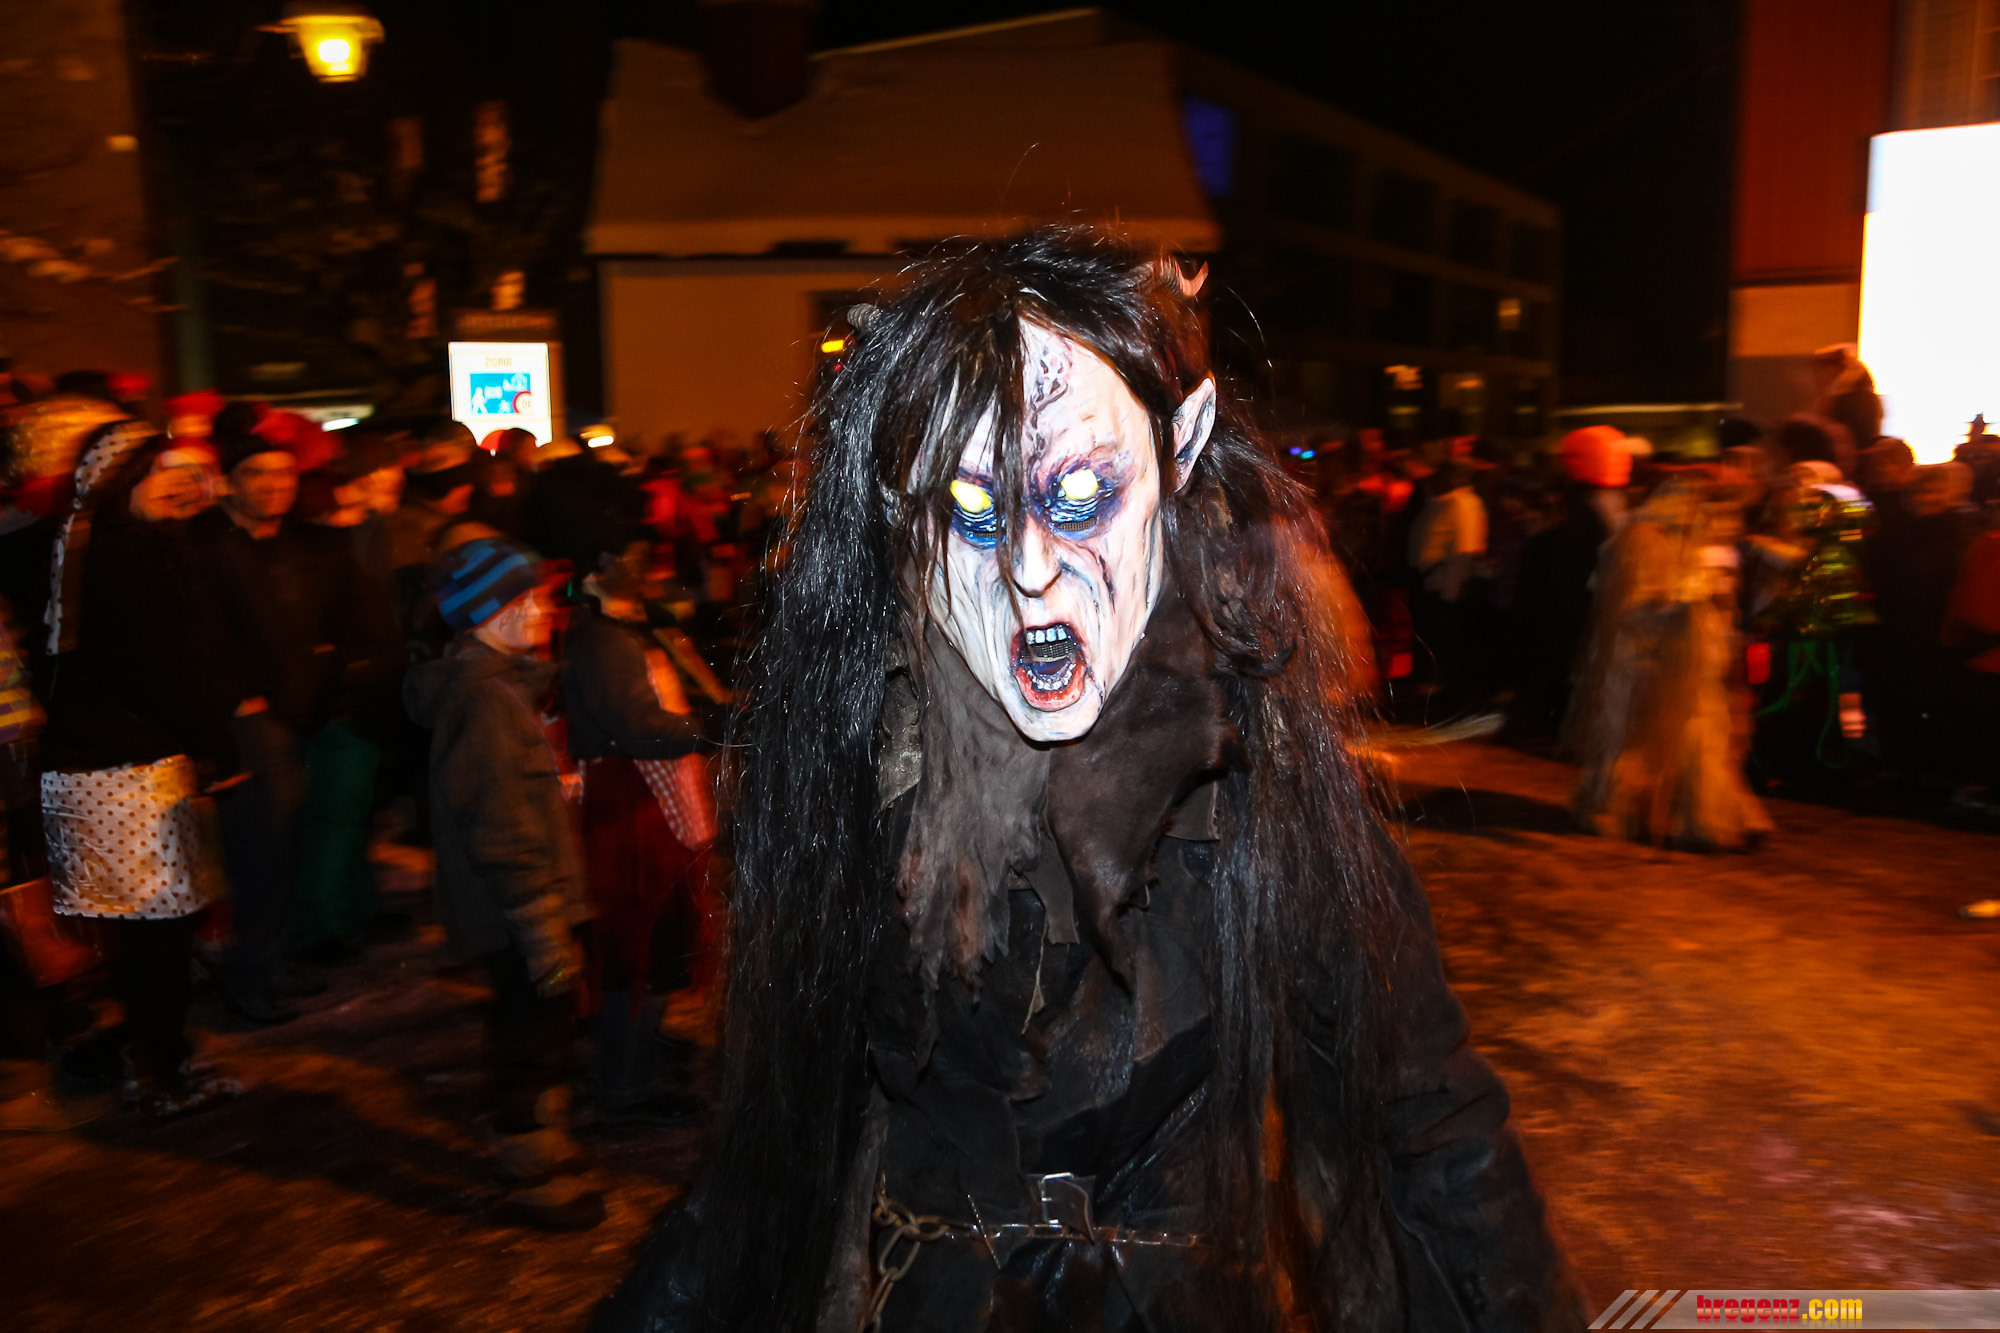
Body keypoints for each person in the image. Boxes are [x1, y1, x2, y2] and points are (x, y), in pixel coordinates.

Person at [595, 229, 1580, 1332]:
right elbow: (768, 1166)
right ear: (896, 511)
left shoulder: (1261, 791)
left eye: (1077, 492)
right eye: (967, 508)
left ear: (1177, 453)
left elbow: (1431, 1132)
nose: (1026, 568)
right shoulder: (858, 786)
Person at [40, 427, 245, 1114]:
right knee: (160, 929)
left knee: (132, 933)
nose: (178, 483)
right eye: (159, 472)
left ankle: (131, 1050)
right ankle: (161, 1070)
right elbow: (161, 670)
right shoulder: (127, 554)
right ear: (120, 479)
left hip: (86, 761)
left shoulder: (79, 541)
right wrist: (213, 744)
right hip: (128, 768)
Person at [403, 537, 602, 1231]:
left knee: (542, 1025)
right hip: (520, 912)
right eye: (533, 601)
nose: (545, 612)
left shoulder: (503, 688)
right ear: (499, 611)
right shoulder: (485, 701)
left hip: (528, 907)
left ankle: (540, 1140)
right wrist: (542, 923)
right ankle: (525, 1165)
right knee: (528, 1033)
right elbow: (498, 823)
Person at [562, 516, 717, 1128]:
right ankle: (625, 1082)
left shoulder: (625, 625)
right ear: (599, 566)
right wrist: (710, 728)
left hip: (646, 801)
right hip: (630, 806)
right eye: (630, 552)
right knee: (634, 941)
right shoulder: (601, 640)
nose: (643, 560)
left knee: (654, 938)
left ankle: (636, 1056)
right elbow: (638, 728)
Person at [194, 421, 330, 1023]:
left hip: (289, 714)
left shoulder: (283, 542)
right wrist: (240, 699)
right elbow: (203, 636)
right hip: (251, 722)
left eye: (284, 473)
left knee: (281, 850)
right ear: (229, 482)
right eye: (258, 474)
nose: (276, 484)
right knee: (258, 853)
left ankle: (270, 963)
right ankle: (249, 981)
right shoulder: (211, 548)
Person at [1565, 470, 1773, 849]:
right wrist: (1680, 604)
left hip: (1685, 657)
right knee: (1634, 738)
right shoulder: (1638, 539)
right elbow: (1625, 606)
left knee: (1699, 731)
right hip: (1639, 659)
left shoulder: (1687, 538)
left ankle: (1703, 816)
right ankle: (1626, 808)